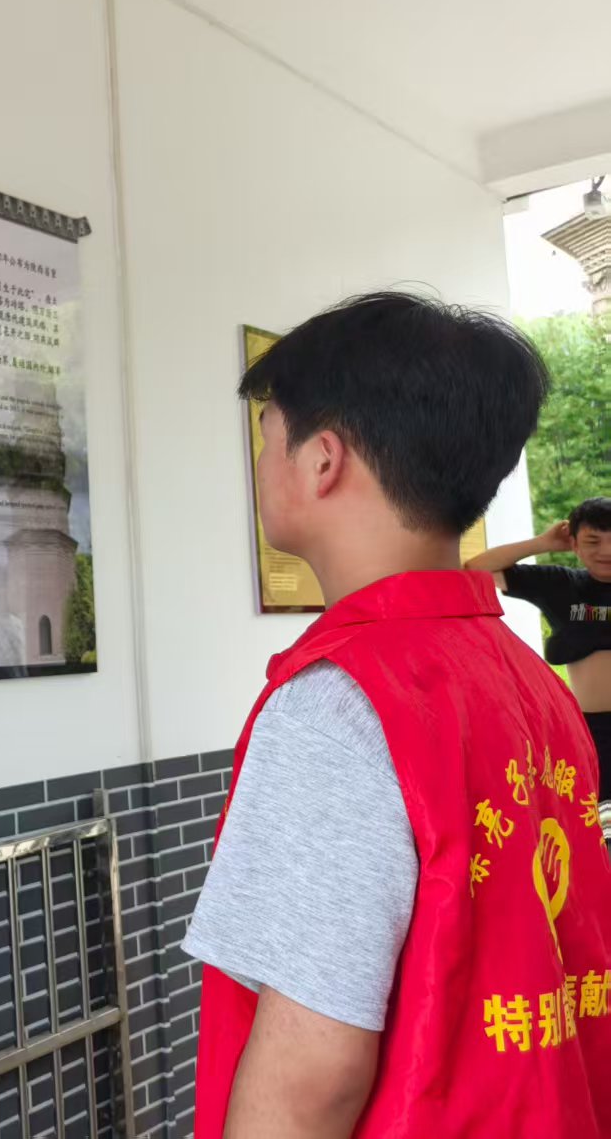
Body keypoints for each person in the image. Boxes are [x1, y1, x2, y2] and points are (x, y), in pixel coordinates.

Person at [186, 292, 610, 1139]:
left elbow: (310, 1083)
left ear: (322, 460)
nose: (261, 462)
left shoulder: (338, 703)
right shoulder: (533, 682)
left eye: (268, 436)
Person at [468, 499, 611, 776]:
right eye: (593, 541)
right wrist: (542, 543)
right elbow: (475, 569)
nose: (606, 551)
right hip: (588, 731)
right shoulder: (561, 585)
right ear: (574, 544)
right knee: (592, 800)